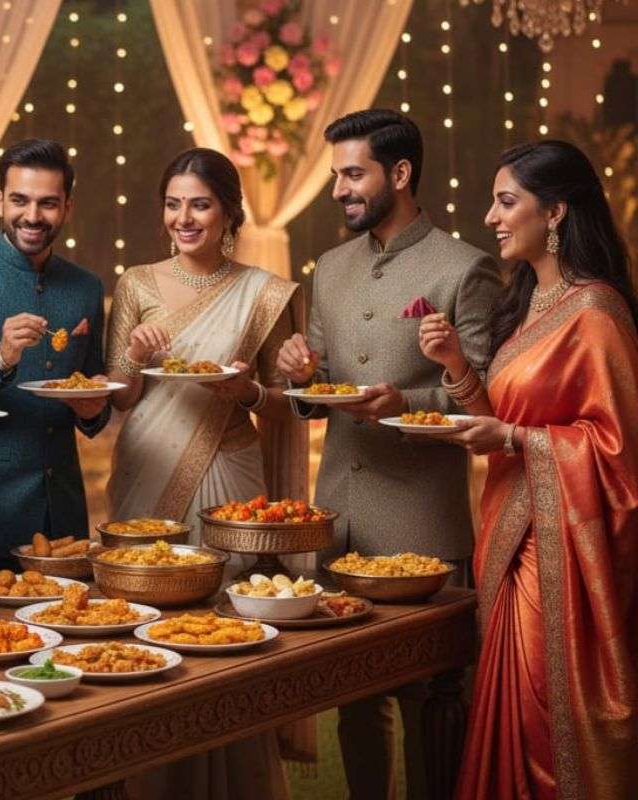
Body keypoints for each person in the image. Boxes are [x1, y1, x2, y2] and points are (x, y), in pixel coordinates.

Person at [275, 109, 501, 800]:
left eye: (353, 174)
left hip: (423, 523)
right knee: (354, 701)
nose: (338, 190)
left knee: (434, 704)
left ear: (400, 173)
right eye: (336, 175)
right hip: (340, 519)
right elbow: (319, 386)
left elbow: (483, 398)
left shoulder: (465, 267)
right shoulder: (331, 267)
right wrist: (299, 376)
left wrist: (406, 403)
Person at [417, 140, 638, 800]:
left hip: (563, 549)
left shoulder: (596, 313)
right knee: (509, 708)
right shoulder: (527, 303)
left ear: (556, 211)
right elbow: (499, 431)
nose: (491, 217)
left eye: (506, 201)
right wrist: (456, 367)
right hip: (511, 538)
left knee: (548, 711)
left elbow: (620, 452)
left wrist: (514, 436)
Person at [108, 147, 307, 800]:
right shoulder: (136, 284)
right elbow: (120, 396)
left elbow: (284, 402)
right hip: (146, 466)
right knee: (146, 613)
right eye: (173, 205)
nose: (184, 218)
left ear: (228, 213)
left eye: (200, 205)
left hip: (228, 467)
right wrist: (133, 357)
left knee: (228, 622)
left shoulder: (264, 291)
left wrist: (247, 393)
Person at [0, 138, 109, 585]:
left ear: (67, 207)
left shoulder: (86, 287)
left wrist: (93, 411)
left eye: (48, 203)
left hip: (62, 518)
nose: (32, 215)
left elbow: (95, 394)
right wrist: (1, 355)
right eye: (20, 200)